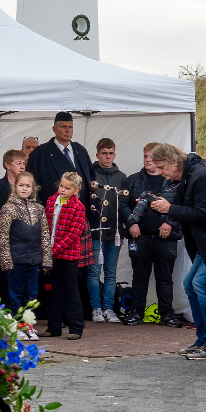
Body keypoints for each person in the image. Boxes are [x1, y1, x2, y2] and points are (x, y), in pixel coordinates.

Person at [146, 142, 206, 361]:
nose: (160, 173)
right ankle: (204, 341)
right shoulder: (189, 175)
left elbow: (202, 214)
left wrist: (169, 209)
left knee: (201, 284)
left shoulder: (200, 176)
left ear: (173, 161)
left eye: (162, 167)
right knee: (191, 283)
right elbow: (187, 209)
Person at [125, 143, 183, 328]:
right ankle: (136, 312)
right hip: (140, 236)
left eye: (152, 157)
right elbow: (123, 204)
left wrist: (170, 222)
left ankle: (166, 313)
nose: (148, 160)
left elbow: (183, 206)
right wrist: (131, 223)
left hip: (166, 236)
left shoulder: (174, 180)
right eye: (145, 156)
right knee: (139, 276)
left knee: (165, 276)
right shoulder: (133, 180)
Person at [0, 172, 50, 333]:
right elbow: (2, 237)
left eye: (28, 186)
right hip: (16, 259)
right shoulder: (8, 208)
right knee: (15, 295)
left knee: (31, 296)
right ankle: (16, 326)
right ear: (15, 187)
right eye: (21, 185)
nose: (24, 189)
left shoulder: (39, 209)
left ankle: (29, 326)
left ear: (33, 188)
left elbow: (45, 235)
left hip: (34, 259)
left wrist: (46, 259)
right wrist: (6, 261)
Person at [85, 138, 129, 322]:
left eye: (111, 153)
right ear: (97, 154)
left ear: (115, 154)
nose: (108, 157)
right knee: (94, 271)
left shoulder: (121, 177)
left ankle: (109, 308)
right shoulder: (90, 174)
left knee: (110, 272)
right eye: (104, 153)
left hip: (114, 232)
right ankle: (95, 308)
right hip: (95, 231)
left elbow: (125, 203)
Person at [43, 171, 88, 339]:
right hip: (52, 253)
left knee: (72, 290)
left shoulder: (78, 207)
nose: (63, 190)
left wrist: (54, 249)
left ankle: (76, 328)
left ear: (76, 190)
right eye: (61, 186)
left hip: (68, 255)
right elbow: (45, 225)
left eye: (67, 188)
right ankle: (53, 327)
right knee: (55, 290)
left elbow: (74, 233)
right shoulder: (50, 201)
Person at [27, 112, 93, 208]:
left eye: (70, 127)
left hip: (81, 210)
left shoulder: (80, 150)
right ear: (54, 129)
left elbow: (91, 175)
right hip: (53, 210)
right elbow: (31, 183)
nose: (67, 130)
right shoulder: (40, 153)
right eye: (63, 127)